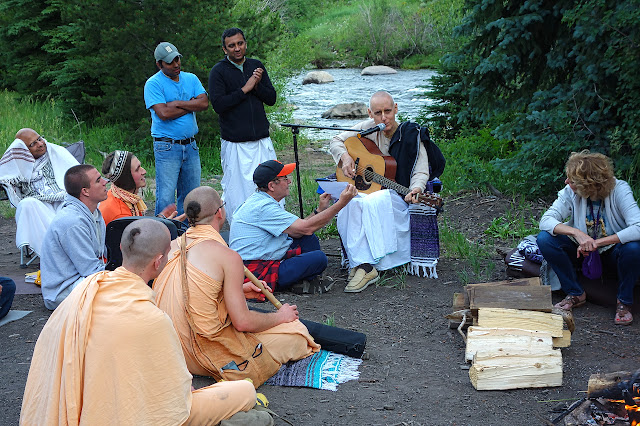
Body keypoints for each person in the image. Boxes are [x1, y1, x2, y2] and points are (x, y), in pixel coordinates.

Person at [21, 219, 259, 425]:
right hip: (119, 413)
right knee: (245, 391)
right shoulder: (152, 319)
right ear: (158, 263)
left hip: (75, 399)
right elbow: (178, 398)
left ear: (122, 247)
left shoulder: (85, 289)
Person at [154, 186, 320, 387]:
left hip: (171, 351)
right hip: (205, 354)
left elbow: (189, 294)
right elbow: (242, 322)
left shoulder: (171, 246)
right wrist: (281, 316)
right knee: (297, 333)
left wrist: (240, 290)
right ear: (220, 213)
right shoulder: (227, 256)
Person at [329, 90, 439, 293]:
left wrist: (416, 188)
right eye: (378, 113)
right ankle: (363, 264)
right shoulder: (367, 128)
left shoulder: (411, 135)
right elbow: (335, 140)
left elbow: (421, 170)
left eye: (388, 111)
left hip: (397, 196)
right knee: (350, 201)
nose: (384, 117)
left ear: (396, 109)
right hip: (372, 192)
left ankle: (365, 266)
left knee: (372, 201)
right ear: (370, 113)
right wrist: (345, 157)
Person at [537, 150, 640, 326]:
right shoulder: (570, 192)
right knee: (545, 239)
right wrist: (578, 234)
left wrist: (597, 242)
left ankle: (624, 302)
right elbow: (546, 220)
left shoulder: (619, 189)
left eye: (573, 180)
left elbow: (638, 227)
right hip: (580, 252)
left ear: (589, 183)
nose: (567, 182)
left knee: (634, 248)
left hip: (613, 254)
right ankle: (575, 292)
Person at [230, 160, 358, 293]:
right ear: (272, 186)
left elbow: (297, 230)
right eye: (285, 178)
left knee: (308, 239)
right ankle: (295, 282)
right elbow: (305, 227)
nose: (289, 181)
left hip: (257, 261)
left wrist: (319, 211)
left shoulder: (261, 201)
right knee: (319, 258)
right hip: (255, 272)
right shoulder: (264, 207)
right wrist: (342, 203)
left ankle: (301, 281)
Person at [209, 27, 278, 224]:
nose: (237, 48)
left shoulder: (256, 66)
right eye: (232, 46)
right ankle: (242, 228)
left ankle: (271, 225)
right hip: (236, 143)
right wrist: (245, 89)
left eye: (240, 43)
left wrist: (256, 86)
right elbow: (219, 105)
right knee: (239, 191)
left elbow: (271, 98)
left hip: (261, 140)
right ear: (224, 49)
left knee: (269, 185)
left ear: (245, 44)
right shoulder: (218, 72)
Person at [144, 41, 208, 217]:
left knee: (191, 196)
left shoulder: (191, 78)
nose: (176, 64)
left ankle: (189, 236)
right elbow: (163, 112)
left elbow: (204, 103)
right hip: (167, 146)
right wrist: (191, 104)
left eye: (177, 59)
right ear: (159, 64)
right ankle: (164, 238)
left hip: (190, 145)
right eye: (170, 62)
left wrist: (178, 103)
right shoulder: (153, 84)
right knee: (166, 197)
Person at [0, 128, 78, 256]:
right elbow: (5, 174)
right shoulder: (18, 163)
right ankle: (52, 254)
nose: (40, 144)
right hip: (39, 207)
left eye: (39, 139)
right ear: (24, 150)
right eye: (33, 144)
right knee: (26, 204)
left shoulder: (57, 153)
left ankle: (69, 250)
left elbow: (78, 177)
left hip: (65, 201)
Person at [40, 165, 108, 310]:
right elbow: (90, 270)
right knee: (122, 291)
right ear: (85, 191)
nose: (104, 182)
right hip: (62, 291)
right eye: (98, 180)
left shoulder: (93, 212)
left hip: (83, 280)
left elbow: (100, 258)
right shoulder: (73, 222)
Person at [99, 150, 178, 225]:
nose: (144, 171)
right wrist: (166, 226)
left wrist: (160, 219)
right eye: (137, 169)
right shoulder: (121, 216)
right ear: (126, 178)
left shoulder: (118, 195)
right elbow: (140, 238)